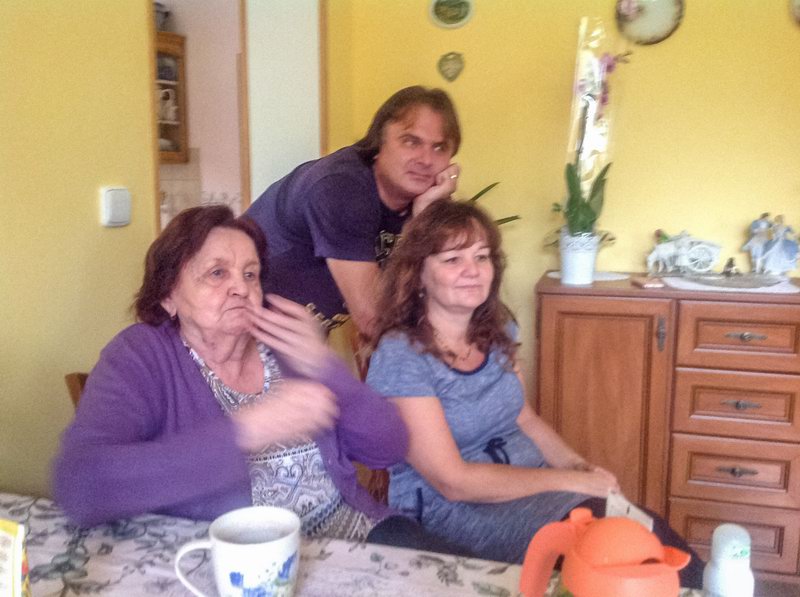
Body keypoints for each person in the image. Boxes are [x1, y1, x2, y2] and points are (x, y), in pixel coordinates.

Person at [51, 205, 442, 550]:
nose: (240, 287)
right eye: (217, 273)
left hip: (355, 536)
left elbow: (388, 447)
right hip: (244, 558)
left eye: (251, 274)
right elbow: (81, 484)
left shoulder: (284, 345)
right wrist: (243, 431)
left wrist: (325, 367)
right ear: (168, 295)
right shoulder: (141, 356)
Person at [365, 200, 703, 588]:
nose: (473, 270)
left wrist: (579, 467)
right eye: (453, 259)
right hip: (457, 511)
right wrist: (571, 483)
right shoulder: (401, 355)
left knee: (652, 537)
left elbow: (524, 418)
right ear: (418, 274)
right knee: (611, 553)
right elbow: (452, 481)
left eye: (482, 256)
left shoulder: (498, 329)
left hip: (538, 491)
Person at [244, 86, 461, 338]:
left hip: (292, 340)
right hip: (235, 333)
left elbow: (430, 301)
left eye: (439, 148)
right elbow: (373, 319)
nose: (425, 160)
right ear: (379, 143)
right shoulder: (342, 187)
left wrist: (424, 218)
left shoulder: (424, 201)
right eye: (411, 142)